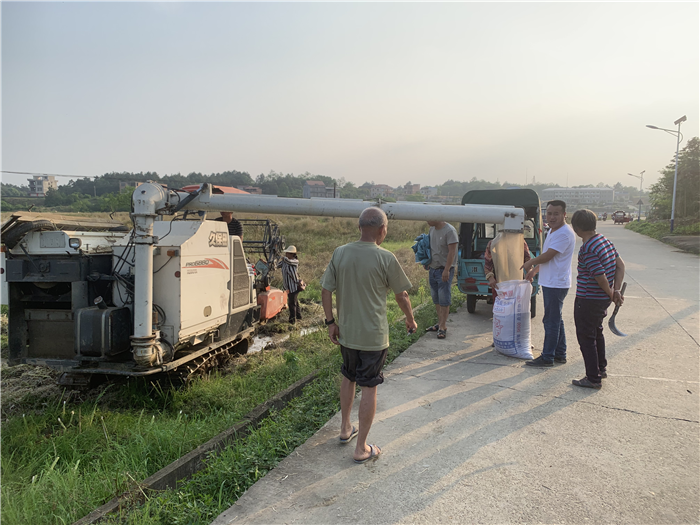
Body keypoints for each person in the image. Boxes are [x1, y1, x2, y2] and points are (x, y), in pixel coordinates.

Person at [321, 207, 417, 464]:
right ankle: (361, 447)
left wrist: (331, 322)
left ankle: (344, 429)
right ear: (383, 230)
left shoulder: (340, 253)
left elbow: (326, 290)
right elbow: (402, 295)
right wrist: (410, 319)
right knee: (369, 386)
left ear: (359, 227)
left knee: (348, 376)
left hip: (347, 334)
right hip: (373, 337)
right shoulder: (385, 257)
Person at [570, 209, 625, 389]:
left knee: (586, 337)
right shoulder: (604, 241)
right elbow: (620, 265)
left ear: (576, 228)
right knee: (597, 332)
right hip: (602, 299)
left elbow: (599, 277)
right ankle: (601, 368)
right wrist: (615, 290)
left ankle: (593, 378)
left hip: (588, 300)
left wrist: (612, 292)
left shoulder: (587, 249)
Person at [521, 200, 576, 367]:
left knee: (551, 320)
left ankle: (547, 357)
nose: (551, 217)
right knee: (556, 319)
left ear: (564, 215)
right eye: (549, 213)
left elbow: (548, 256)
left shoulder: (564, 233)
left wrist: (530, 263)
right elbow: (547, 257)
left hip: (556, 283)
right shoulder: (553, 231)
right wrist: (535, 271)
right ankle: (560, 353)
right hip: (551, 281)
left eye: (556, 214)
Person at [424, 220, 459, 340]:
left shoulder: (450, 231)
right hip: (433, 268)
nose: (427, 221)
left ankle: (443, 326)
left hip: (444, 269)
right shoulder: (432, 229)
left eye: (429, 218)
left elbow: (452, 252)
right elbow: (431, 247)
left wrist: (447, 269)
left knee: (444, 297)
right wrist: (427, 261)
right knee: (436, 297)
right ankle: (439, 323)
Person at [278, 246, 303, 324]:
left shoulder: (295, 261)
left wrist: (280, 256)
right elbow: (277, 265)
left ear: (292, 254)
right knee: (294, 301)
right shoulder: (285, 261)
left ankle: (292, 321)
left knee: (291, 303)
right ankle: (298, 316)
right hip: (288, 286)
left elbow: (288, 261)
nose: (286, 254)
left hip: (294, 286)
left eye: (288, 253)